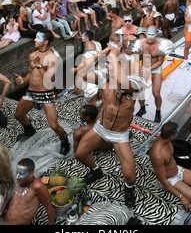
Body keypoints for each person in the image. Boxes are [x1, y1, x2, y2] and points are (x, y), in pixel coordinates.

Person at [74, 46, 146, 209]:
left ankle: (129, 189)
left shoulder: (137, 81)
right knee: (79, 154)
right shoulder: (103, 79)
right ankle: (96, 170)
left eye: (112, 64)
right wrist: (103, 52)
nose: (108, 66)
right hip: (101, 128)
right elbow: (79, 70)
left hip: (120, 135)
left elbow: (121, 82)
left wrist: (114, 54)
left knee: (130, 177)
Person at [14, 30, 70, 156]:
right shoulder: (32, 54)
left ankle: (65, 141)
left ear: (45, 42)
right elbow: (31, 73)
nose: (34, 40)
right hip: (31, 92)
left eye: (37, 38)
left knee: (54, 126)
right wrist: (23, 79)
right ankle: (29, 130)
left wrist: (39, 65)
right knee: (18, 115)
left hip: (45, 94)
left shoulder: (53, 58)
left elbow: (49, 80)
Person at [129, 25, 173, 123]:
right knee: (139, 91)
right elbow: (136, 58)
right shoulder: (140, 43)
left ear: (156, 34)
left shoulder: (162, 44)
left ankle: (158, 112)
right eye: (148, 34)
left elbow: (160, 61)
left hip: (155, 68)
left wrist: (148, 69)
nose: (150, 37)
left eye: (152, 34)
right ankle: (142, 107)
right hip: (145, 66)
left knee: (156, 93)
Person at [2, 158, 55, 225]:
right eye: (17, 173)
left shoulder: (37, 186)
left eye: (22, 174)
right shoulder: (20, 182)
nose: (17, 177)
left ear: (31, 174)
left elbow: (49, 207)